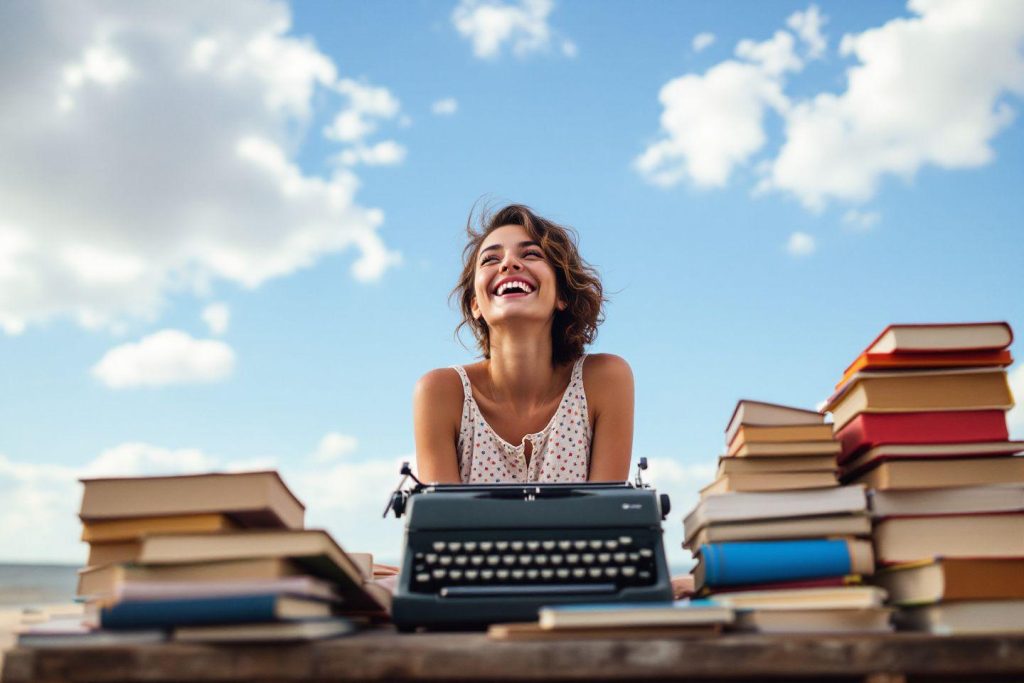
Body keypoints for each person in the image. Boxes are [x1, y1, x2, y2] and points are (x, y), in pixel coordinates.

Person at [413, 203, 634, 484]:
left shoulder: (604, 380)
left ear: (561, 295)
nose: (508, 264)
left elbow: (605, 518)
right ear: (475, 304)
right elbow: (445, 525)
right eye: (490, 260)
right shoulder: (441, 393)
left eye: (531, 254)